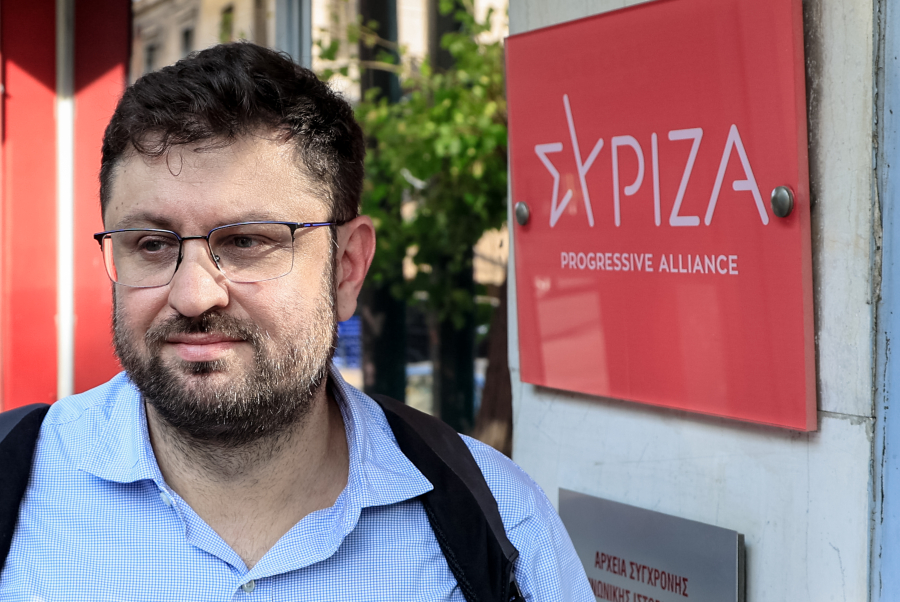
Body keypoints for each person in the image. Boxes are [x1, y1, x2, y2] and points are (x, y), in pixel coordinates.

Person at [0, 43, 592, 600]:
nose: (193, 295)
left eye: (246, 242)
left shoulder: (499, 525)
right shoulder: (14, 491)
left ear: (347, 268)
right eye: (151, 244)